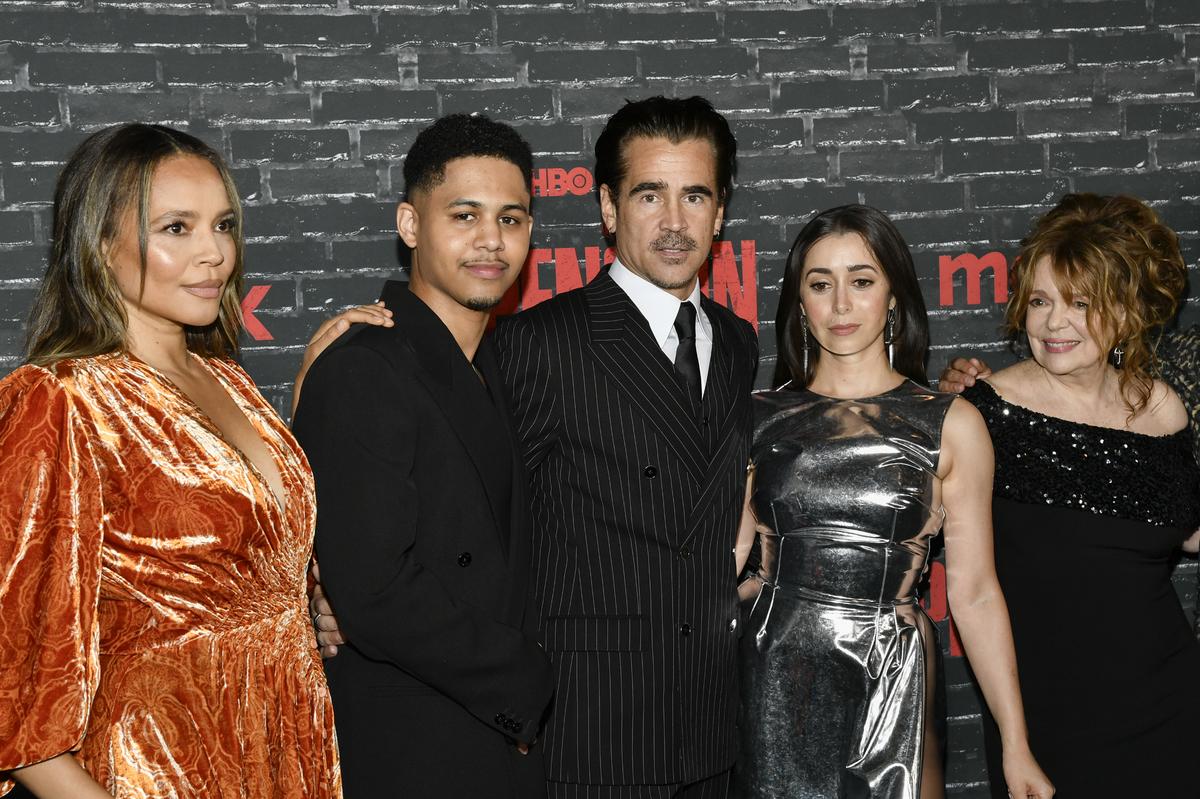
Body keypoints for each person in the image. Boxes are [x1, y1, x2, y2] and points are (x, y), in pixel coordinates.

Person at [0, 124, 341, 798]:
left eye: (222, 225)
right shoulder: (62, 401)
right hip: (155, 769)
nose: (213, 253)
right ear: (101, 244)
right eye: (176, 228)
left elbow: (249, 563)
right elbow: (16, 688)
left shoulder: (232, 382)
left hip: (285, 751)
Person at [485, 96, 759, 799]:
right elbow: (477, 525)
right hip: (592, 729)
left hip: (709, 726)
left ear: (721, 211)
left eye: (695, 195)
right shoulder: (541, 342)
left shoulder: (735, 342)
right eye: (650, 194)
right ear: (608, 207)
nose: (674, 222)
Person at [734, 205, 1053, 799]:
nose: (841, 304)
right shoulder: (755, 417)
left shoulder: (951, 423)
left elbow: (977, 591)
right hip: (771, 668)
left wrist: (1016, 743)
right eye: (820, 284)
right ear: (800, 304)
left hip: (892, 670)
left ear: (893, 298)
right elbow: (729, 559)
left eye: (861, 281)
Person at [290, 114, 555, 798]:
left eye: (512, 218)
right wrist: (521, 677)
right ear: (411, 225)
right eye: (464, 215)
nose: (491, 241)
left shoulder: (495, 362)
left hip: (491, 747)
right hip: (415, 747)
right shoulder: (364, 368)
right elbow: (373, 591)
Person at [940, 194, 1200, 797]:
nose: (1055, 323)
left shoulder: (1163, 407)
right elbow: (972, 589)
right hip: (1050, 722)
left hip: (1173, 705)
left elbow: (1183, 530)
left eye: (1081, 303)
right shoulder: (985, 412)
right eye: (1041, 301)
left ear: (1126, 310)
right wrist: (1014, 743)